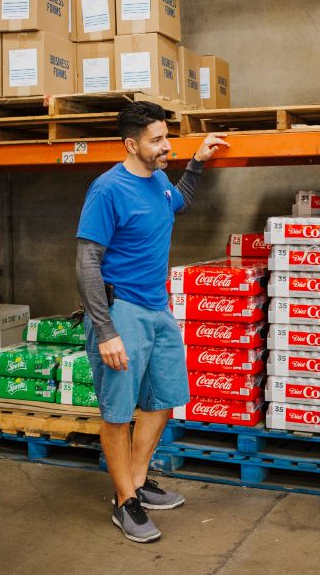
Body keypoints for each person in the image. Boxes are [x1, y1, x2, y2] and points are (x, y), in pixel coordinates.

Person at [75, 101, 228, 543]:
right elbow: (87, 262)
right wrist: (105, 331)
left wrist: (197, 163)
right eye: (157, 140)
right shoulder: (107, 190)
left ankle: (138, 481)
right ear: (131, 144)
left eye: (167, 138)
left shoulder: (158, 179)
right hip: (121, 311)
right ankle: (125, 502)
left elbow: (174, 203)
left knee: (165, 395)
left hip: (158, 308)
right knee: (118, 412)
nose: (166, 147)